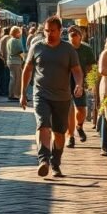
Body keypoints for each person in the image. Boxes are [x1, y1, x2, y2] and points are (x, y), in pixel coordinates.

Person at [21, 16, 84, 178]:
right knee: (43, 125)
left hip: (62, 96)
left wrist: (78, 84)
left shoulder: (68, 49)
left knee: (59, 133)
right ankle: (43, 160)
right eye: (47, 31)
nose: (49, 34)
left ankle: (56, 162)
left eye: (53, 31)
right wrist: (22, 93)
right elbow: (27, 70)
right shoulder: (36, 47)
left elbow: (76, 70)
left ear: (60, 31)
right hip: (41, 94)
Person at [66, 26, 96, 148]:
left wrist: (91, 82)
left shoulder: (86, 49)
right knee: (69, 110)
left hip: (81, 82)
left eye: (75, 34)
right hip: (66, 82)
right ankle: (70, 136)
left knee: (81, 109)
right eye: (71, 34)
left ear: (80, 36)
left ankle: (79, 126)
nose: (73, 36)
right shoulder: (65, 48)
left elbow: (91, 67)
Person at [6, 26, 25, 102]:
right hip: (16, 61)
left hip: (10, 61)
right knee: (16, 79)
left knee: (13, 78)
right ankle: (14, 95)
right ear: (17, 32)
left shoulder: (9, 40)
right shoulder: (17, 41)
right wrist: (24, 59)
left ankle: (12, 94)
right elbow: (20, 51)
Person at [0, 28, 12, 97]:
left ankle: (2, 90)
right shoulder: (8, 38)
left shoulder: (2, 38)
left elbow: (0, 50)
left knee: (3, 76)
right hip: (7, 59)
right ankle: (5, 91)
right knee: (7, 76)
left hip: (2, 58)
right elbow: (8, 50)